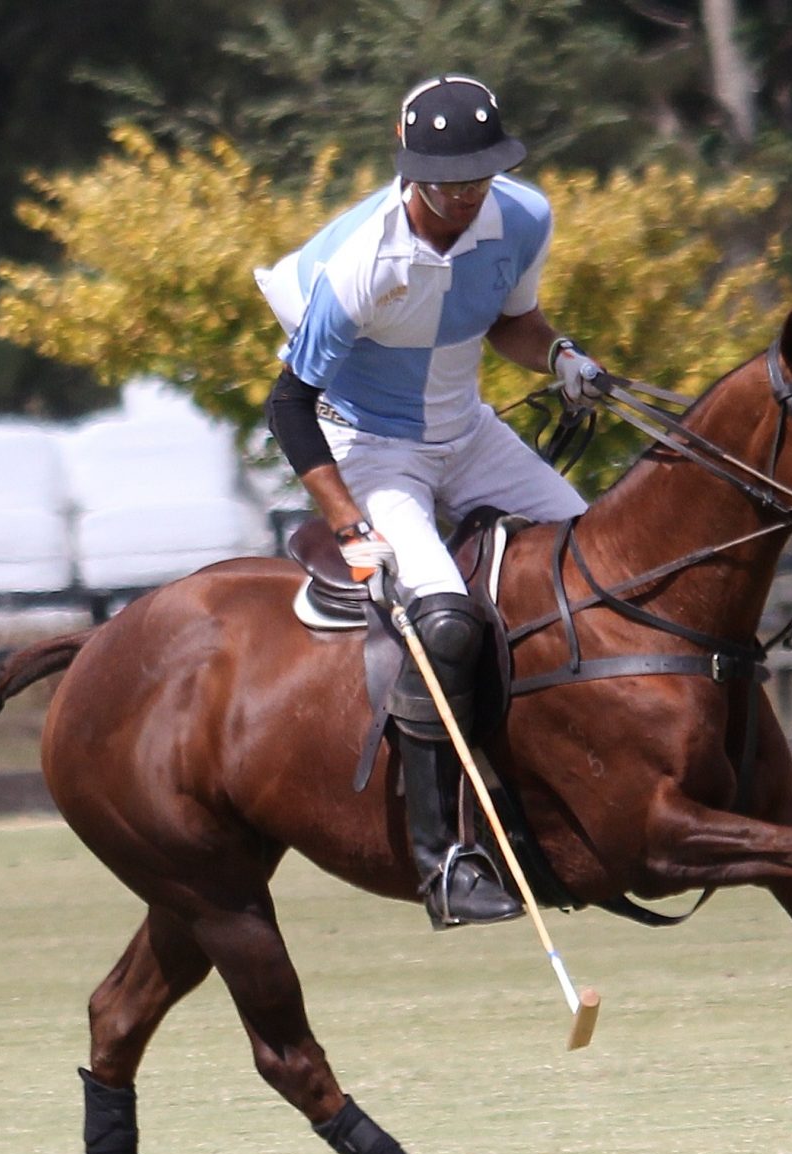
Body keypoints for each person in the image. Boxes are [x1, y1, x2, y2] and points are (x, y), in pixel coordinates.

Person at [255, 75, 607, 930]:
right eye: (448, 186)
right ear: (412, 173)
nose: (464, 201)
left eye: (477, 182)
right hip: (374, 451)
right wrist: (348, 521)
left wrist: (560, 354)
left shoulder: (521, 217)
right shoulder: (361, 265)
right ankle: (441, 860)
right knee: (445, 618)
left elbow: (506, 320)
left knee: (593, 567)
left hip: (471, 431)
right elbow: (287, 407)